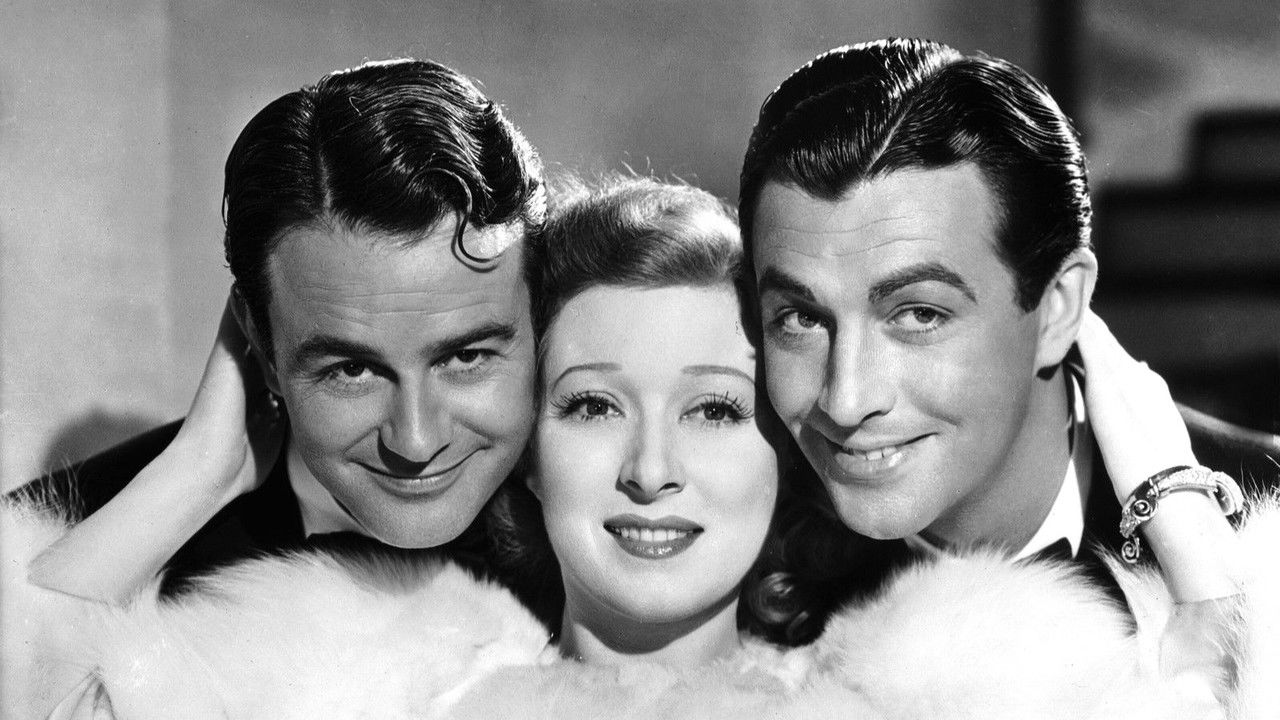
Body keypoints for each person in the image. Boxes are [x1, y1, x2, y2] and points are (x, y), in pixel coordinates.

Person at [15, 177, 1261, 720]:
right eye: (591, 406)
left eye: (715, 411)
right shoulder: (349, 686)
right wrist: (198, 468)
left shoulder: (939, 698)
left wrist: (1172, 504)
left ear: (785, 447)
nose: (649, 471)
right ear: (524, 445)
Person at [737, 38, 1277, 587]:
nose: (846, 401)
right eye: (800, 318)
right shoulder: (742, 572)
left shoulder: (1267, 522)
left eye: (919, 315)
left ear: (1058, 308)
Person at [7, 58, 547, 600]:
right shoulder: (65, 546)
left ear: (540, 322)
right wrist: (196, 477)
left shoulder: (586, 526)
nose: (416, 441)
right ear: (261, 345)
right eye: (352, 369)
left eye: (466, 358)